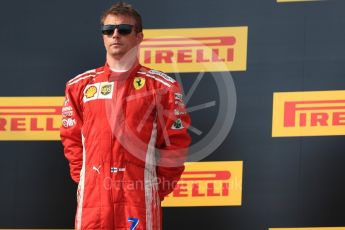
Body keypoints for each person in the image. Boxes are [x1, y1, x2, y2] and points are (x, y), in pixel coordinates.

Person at [60, 2, 191, 230]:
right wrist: (85, 179)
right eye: (108, 30)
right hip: (94, 197)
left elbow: (176, 143)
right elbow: (71, 139)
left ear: (139, 36)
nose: (115, 35)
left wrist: (152, 187)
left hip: (138, 195)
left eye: (124, 29)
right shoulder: (79, 86)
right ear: (103, 37)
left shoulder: (163, 87)